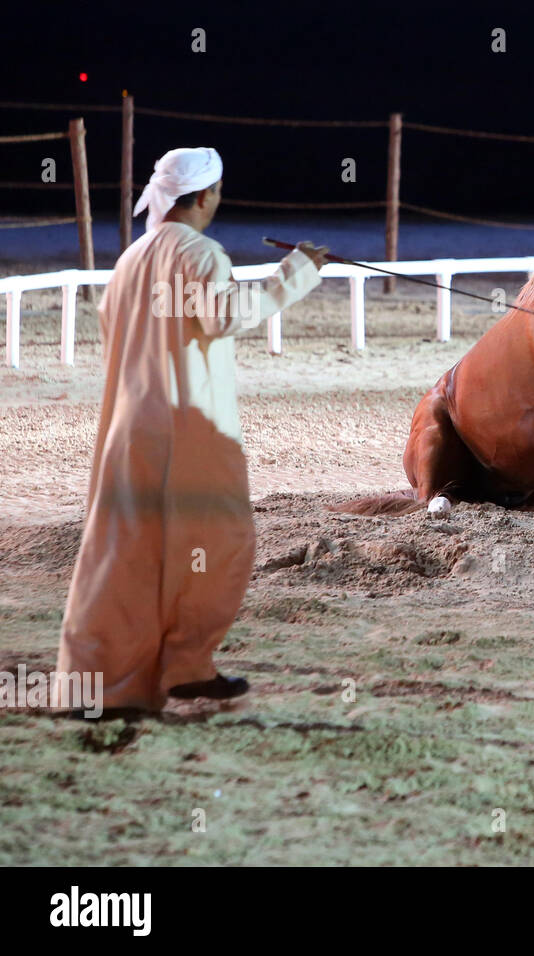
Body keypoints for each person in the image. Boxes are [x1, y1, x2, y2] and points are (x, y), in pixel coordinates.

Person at [54, 146, 329, 714]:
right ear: (205, 196)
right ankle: (185, 665)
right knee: (219, 542)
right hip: (187, 429)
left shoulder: (131, 259)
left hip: (129, 429)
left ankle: (101, 686)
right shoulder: (200, 253)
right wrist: (298, 272)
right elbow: (224, 314)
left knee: (123, 556)